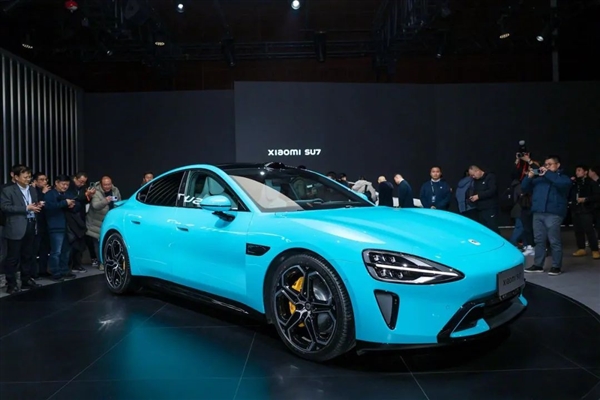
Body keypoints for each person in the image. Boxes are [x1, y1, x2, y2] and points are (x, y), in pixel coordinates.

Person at [522, 155, 572, 275]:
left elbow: (561, 184)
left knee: (554, 240)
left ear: (558, 165)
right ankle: (538, 265)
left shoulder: (563, 178)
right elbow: (524, 188)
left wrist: (547, 173)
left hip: (554, 213)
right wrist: (529, 177)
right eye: (545, 164)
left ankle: (556, 266)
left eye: (550, 164)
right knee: (539, 240)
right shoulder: (540, 179)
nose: (547, 166)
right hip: (538, 212)